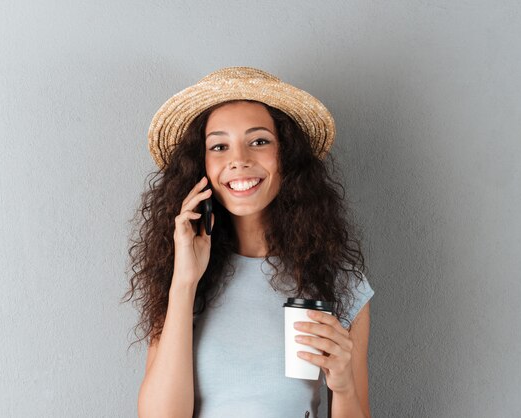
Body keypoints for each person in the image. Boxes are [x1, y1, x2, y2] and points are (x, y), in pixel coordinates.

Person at [124, 67, 374, 418]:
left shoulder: (340, 282)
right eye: (219, 146)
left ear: (286, 155)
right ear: (202, 166)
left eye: (259, 141)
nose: (239, 160)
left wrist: (344, 384)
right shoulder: (178, 276)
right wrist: (184, 281)